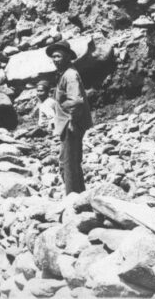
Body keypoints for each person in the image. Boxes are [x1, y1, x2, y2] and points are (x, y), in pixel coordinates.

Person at [47, 41, 93, 194]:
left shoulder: (70, 75)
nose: (55, 59)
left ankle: (73, 196)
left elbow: (76, 101)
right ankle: (80, 194)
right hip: (67, 122)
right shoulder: (64, 74)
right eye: (53, 57)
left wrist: (69, 117)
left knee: (68, 162)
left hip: (71, 123)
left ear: (67, 57)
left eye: (58, 56)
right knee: (72, 161)